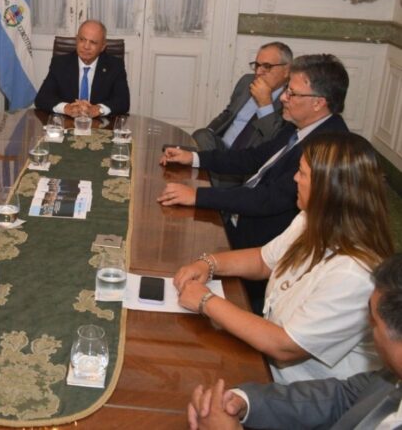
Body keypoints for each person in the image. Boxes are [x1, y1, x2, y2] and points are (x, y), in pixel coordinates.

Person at [174, 132, 393, 385]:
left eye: (302, 173)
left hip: (300, 391)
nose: (295, 178)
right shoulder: (311, 218)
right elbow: (263, 260)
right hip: (265, 359)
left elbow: (285, 346)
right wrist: (209, 263)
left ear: (327, 188)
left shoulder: (354, 274)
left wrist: (206, 301)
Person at [159, 54, 350, 314]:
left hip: (262, 244)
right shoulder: (301, 125)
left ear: (318, 103)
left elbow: (268, 199)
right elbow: (252, 158)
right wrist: (194, 158)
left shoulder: (327, 148)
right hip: (242, 221)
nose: (283, 98)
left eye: (292, 93)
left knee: (172, 260)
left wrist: (198, 196)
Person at [186, 254, 402, 430]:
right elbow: (341, 397)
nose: (369, 326)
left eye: (374, 322)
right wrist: (244, 401)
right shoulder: (389, 377)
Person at [191, 42, 292, 187]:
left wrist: (265, 104)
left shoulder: (290, 98)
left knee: (204, 168)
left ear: (287, 70)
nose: (259, 72)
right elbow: (228, 113)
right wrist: (211, 131)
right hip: (223, 148)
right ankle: (219, 184)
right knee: (202, 135)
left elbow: (275, 140)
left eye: (267, 66)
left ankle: (217, 185)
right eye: (257, 65)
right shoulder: (247, 81)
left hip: (249, 161)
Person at [34, 19, 130, 118]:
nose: (86, 46)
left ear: (102, 47)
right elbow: (42, 98)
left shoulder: (115, 66)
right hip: (67, 123)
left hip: (101, 124)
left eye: (93, 42)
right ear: (76, 40)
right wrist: (66, 108)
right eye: (82, 40)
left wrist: (99, 109)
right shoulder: (60, 64)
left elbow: (123, 102)